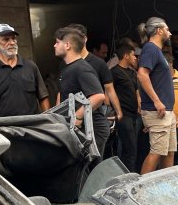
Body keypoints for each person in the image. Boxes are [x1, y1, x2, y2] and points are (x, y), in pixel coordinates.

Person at [66, 23, 122, 156]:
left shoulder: (98, 63)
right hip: (72, 117)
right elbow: (62, 91)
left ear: (84, 39)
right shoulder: (66, 63)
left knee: (94, 156)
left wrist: (119, 112)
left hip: (95, 116)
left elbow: (109, 89)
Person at [0, 23, 49, 119]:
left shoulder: (30, 66)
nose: (12, 42)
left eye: (14, 38)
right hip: (3, 126)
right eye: (6, 39)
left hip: (32, 124)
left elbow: (43, 96)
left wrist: (47, 120)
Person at [136, 17, 176, 175]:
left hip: (166, 110)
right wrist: (157, 101)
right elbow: (142, 75)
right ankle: (139, 188)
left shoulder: (155, 50)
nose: (169, 33)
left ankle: (167, 186)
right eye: (167, 29)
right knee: (157, 151)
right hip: (157, 110)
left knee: (169, 151)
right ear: (159, 30)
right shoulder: (150, 49)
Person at [54, 27, 105, 128]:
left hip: (92, 130)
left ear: (67, 45)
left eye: (57, 42)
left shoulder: (81, 68)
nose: (54, 45)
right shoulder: (67, 68)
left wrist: (78, 116)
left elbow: (99, 96)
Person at [110, 42, 142, 171]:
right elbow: (108, 92)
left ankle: (126, 173)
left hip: (136, 115)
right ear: (126, 56)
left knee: (133, 148)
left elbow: (137, 91)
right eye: (133, 55)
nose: (135, 58)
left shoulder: (133, 73)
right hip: (124, 115)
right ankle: (129, 177)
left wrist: (140, 105)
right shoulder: (114, 72)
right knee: (131, 149)